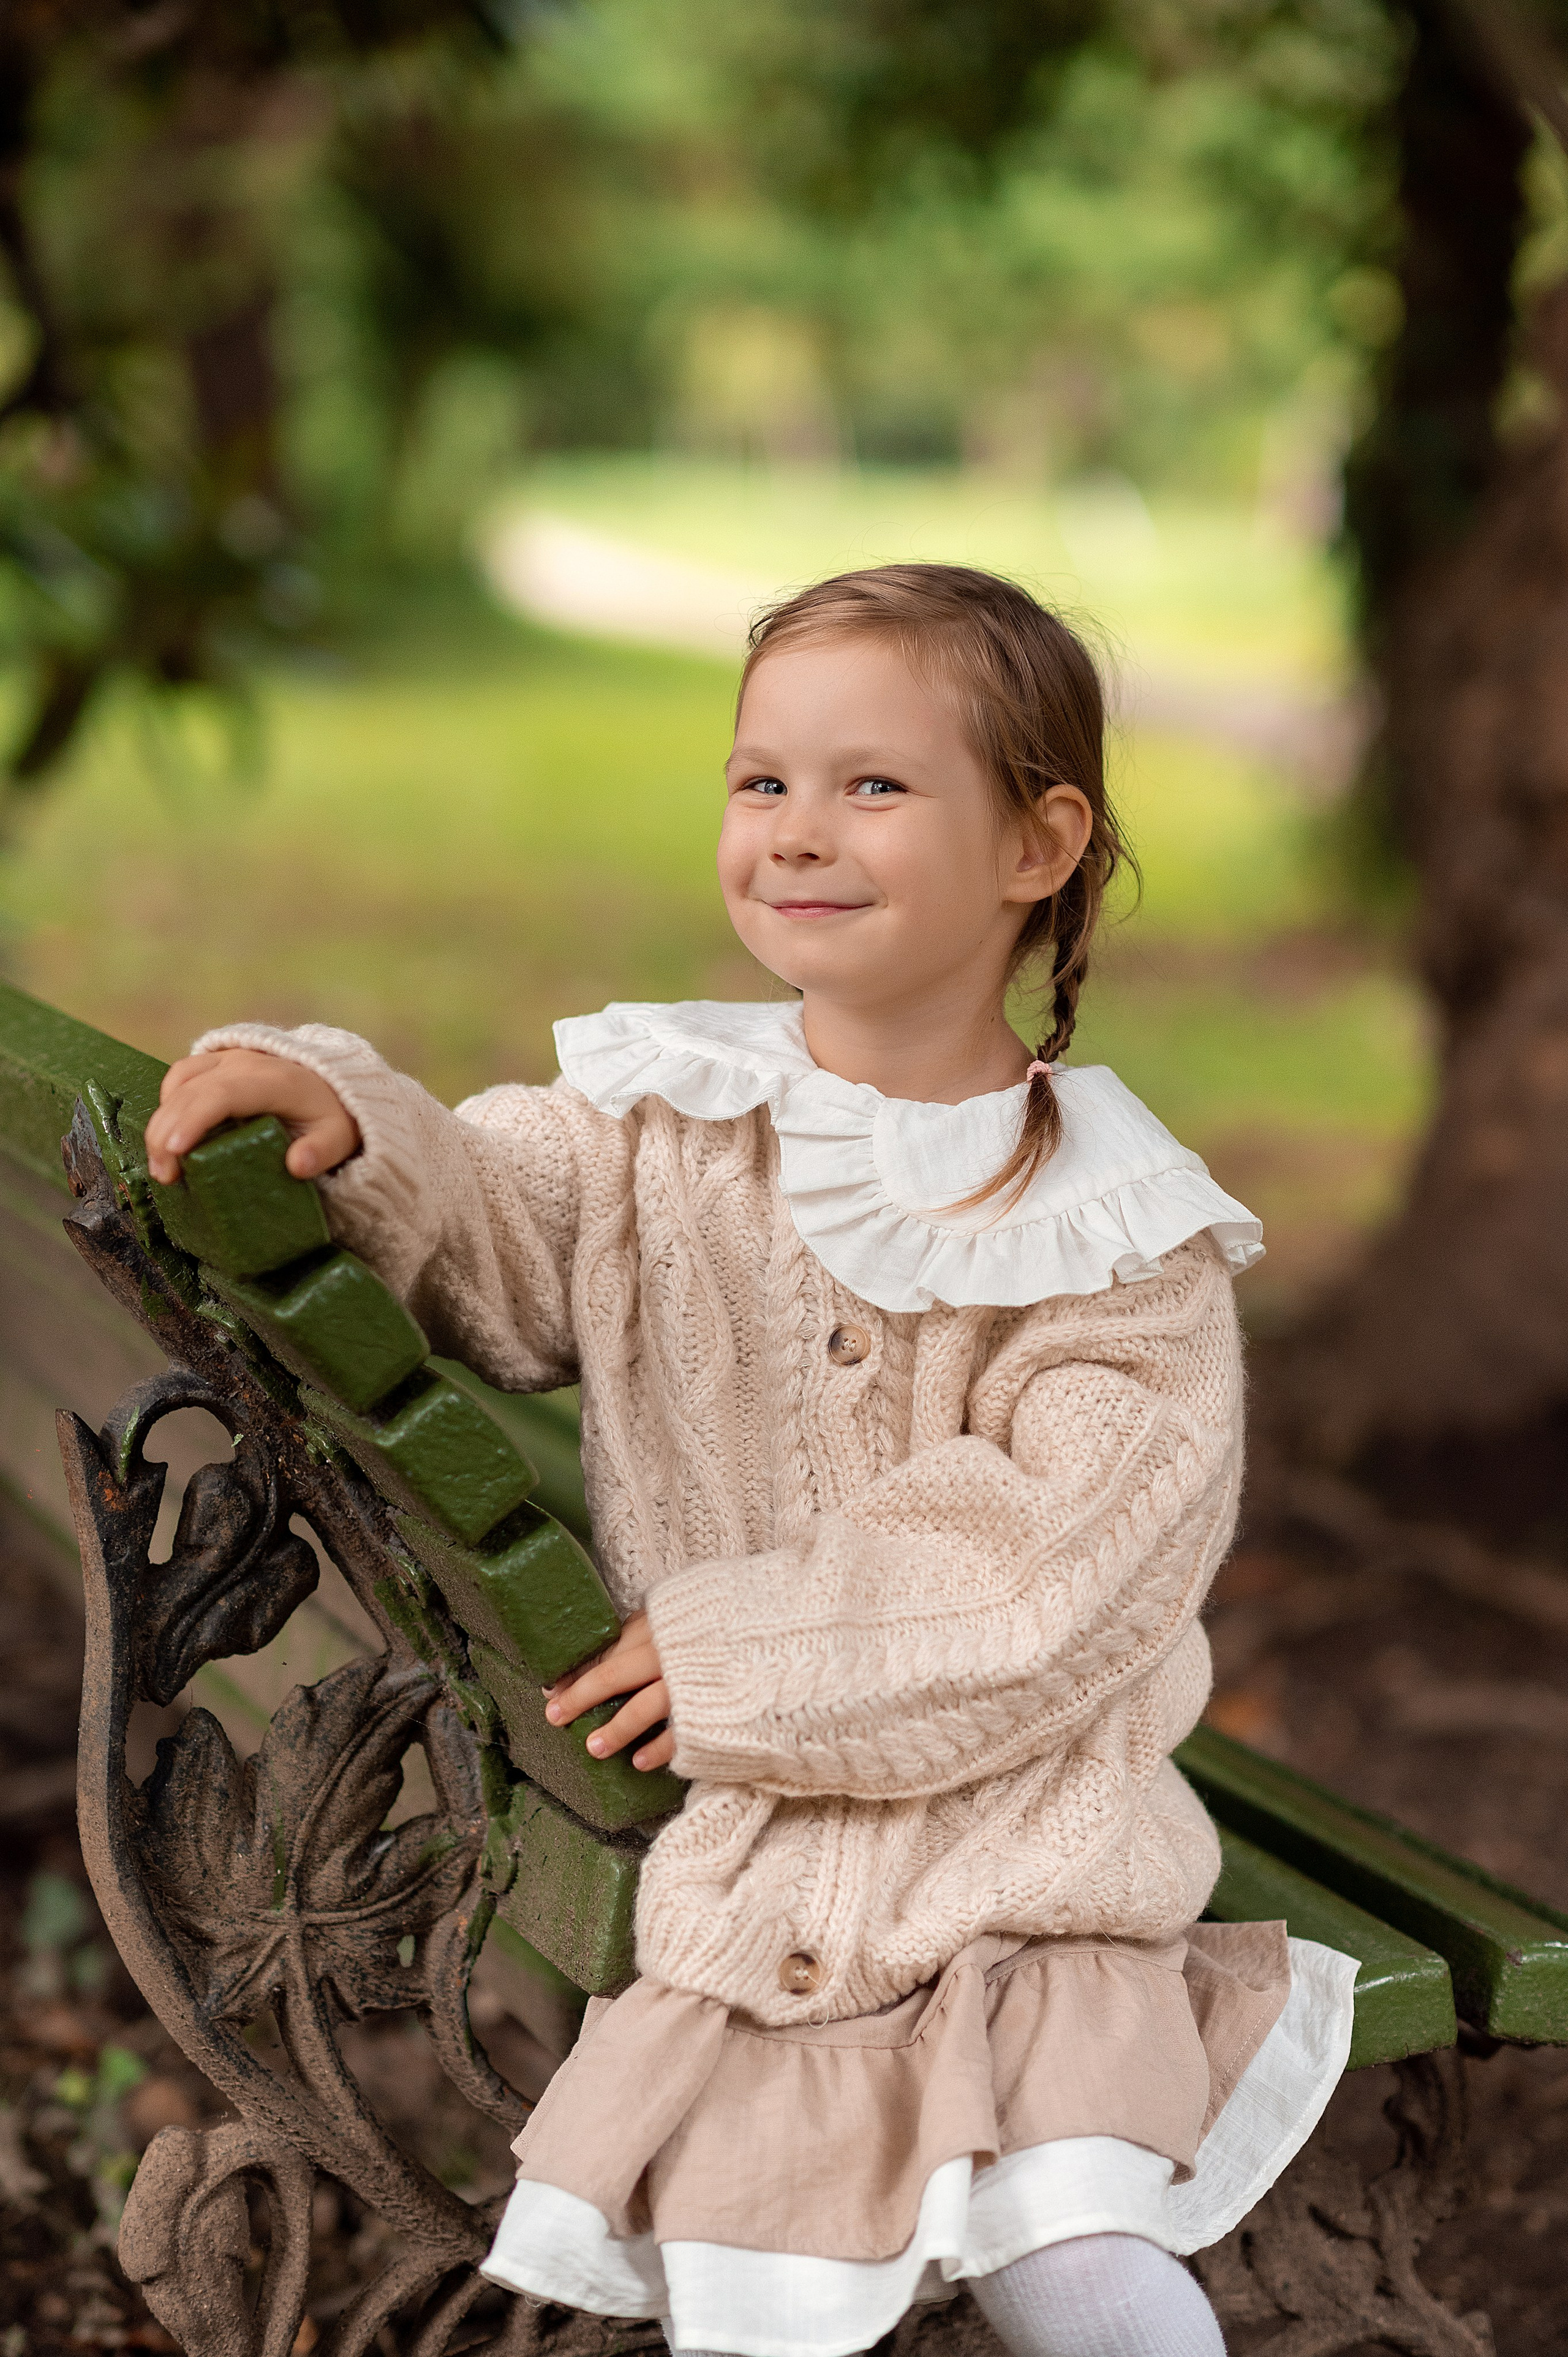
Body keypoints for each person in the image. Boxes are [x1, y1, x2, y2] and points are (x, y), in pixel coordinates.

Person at [144, 563, 1357, 2357]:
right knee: (760, 2292)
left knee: (1082, 2268)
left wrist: (746, 1655)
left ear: (1040, 844)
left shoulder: (1117, 1239)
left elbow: (1059, 1571)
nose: (798, 830)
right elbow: (489, 1217)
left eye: (874, 786)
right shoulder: (667, 1123)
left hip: (1032, 1870)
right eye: (760, 781)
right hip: (756, 1870)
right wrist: (349, 1117)